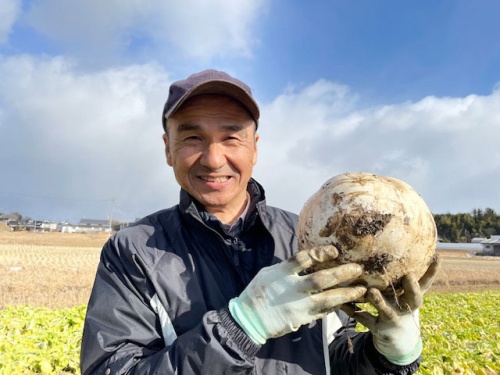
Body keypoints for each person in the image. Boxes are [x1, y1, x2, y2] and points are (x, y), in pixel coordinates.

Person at [80, 69, 440, 374]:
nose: (213, 158)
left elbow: (339, 358)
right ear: (167, 149)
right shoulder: (133, 251)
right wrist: (238, 329)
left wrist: (391, 355)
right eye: (192, 138)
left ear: (255, 146)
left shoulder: (307, 239)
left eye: (231, 137)